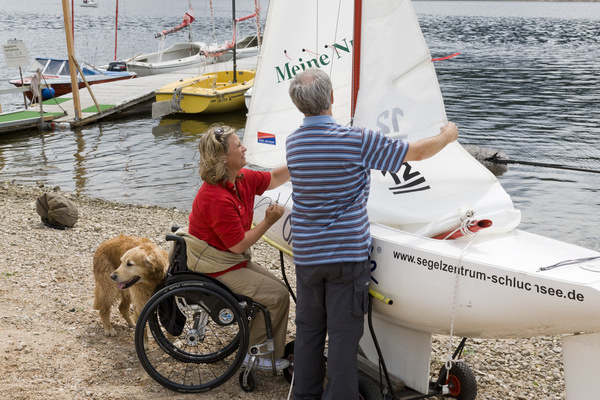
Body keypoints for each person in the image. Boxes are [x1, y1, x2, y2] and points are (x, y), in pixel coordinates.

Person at [286, 68, 459, 400]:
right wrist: (447, 135)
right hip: (345, 257)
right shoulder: (356, 140)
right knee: (343, 336)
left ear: (298, 106)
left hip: (307, 256)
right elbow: (418, 152)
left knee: (309, 332)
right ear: (332, 97)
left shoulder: (293, 143)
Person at [188, 123, 292, 370]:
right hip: (215, 264)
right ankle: (254, 356)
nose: (244, 148)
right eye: (238, 145)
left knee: (279, 289)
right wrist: (268, 221)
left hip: (227, 258)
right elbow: (237, 245)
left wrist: (304, 160)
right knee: (277, 296)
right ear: (224, 157)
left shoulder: (241, 179)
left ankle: (264, 347)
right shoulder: (215, 197)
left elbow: (275, 178)